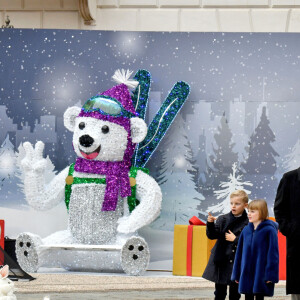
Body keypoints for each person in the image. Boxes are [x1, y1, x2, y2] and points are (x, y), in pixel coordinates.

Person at [202, 190, 249, 300]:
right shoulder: (223, 219)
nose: (233, 206)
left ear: (245, 205)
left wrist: (235, 239)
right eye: (232, 203)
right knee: (219, 292)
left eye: (237, 204)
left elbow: (250, 241)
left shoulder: (248, 222)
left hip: (236, 260)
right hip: (221, 259)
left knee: (235, 293)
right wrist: (210, 224)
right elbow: (212, 235)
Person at [231, 199, 279, 300]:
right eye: (248, 211)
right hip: (246, 273)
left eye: (252, 211)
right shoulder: (246, 230)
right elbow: (239, 253)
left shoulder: (269, 230)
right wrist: (237, 274)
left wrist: (270, 275)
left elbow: (273, 254)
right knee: (247, 296)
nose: (249, 214)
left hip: (261, 274)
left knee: (259, 296)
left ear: (262, 212)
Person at [274, 169, 300, 299]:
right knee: (298, 289)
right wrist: (292, 230)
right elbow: (279, 210)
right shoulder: (290, 178)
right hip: (297, 244)